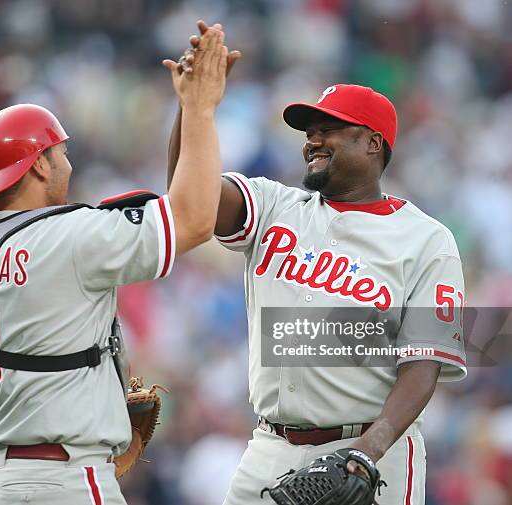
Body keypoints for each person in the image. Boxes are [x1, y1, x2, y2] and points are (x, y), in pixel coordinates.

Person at [0, 26, 228, 505]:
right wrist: (199, 109)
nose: (68, 164)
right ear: (37, 165)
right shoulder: (74, 235)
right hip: (66, 479)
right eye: (62, 153)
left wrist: (18, 396)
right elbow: (196, 220)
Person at [168, 21, 466, 505]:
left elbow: (423, 366)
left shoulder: (427, 240)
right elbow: (191, 199)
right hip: (268, 447)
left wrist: (368, 452)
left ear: (373, 143)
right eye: (310, 131)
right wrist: (193, 109)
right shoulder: (273, 206)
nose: (312, 140)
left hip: (372, 454)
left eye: (330, 129)